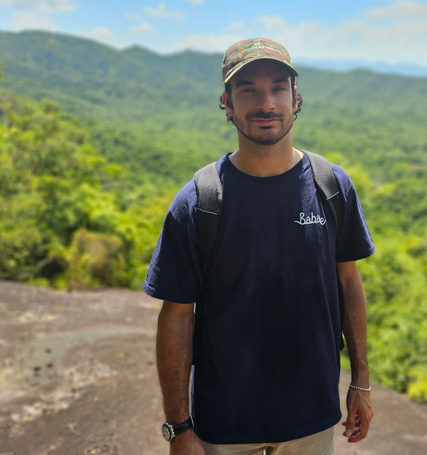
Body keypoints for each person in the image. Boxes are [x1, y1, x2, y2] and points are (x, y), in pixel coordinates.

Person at [143, 37, 375, 455]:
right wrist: (179, 428)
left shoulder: (331, 187)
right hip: (224, 423)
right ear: (227, 103)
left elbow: (348, 283)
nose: (265, 103)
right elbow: (177, 317)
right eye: (247, 89)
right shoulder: (198, 202)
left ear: (296, 98)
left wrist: (360, 382)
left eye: (278, 88)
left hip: (312, 416)